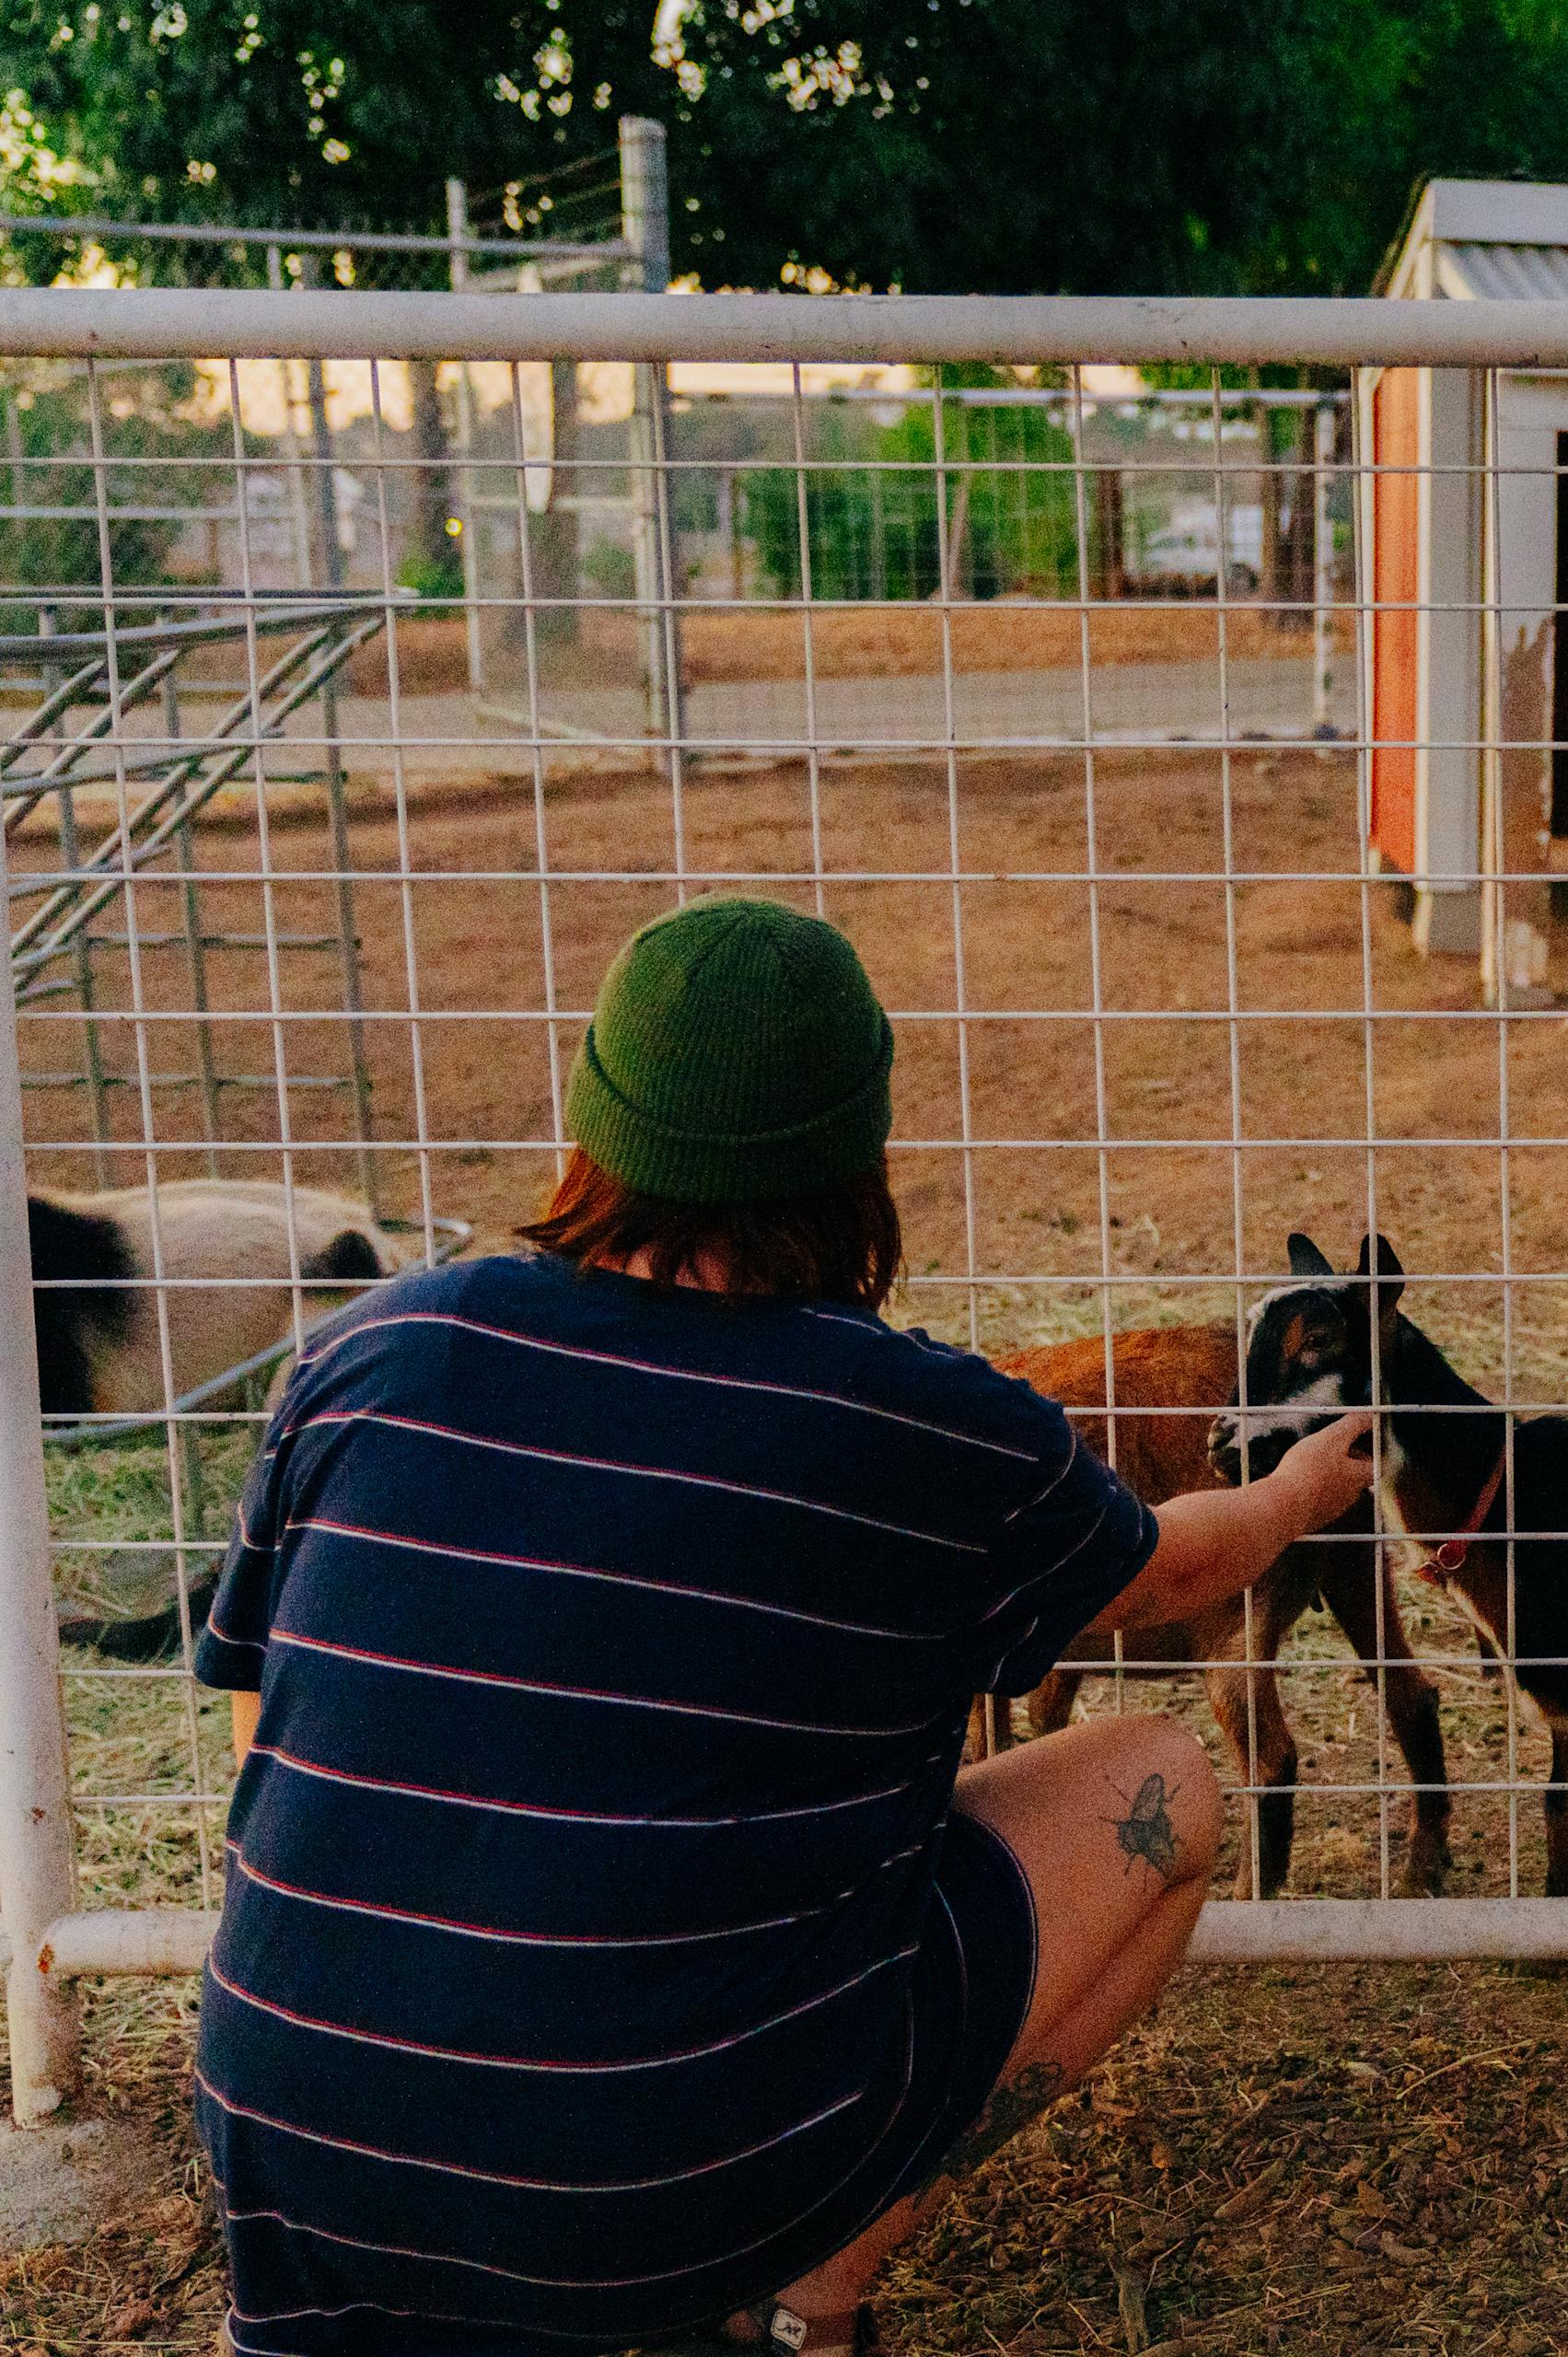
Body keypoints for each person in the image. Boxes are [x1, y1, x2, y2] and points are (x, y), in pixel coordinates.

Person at [191, 897, 1371, 2357]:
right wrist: (1296, 1492)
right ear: (858, 1158)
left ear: (591, 1130)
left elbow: (266, 1734)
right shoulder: (922, 1423)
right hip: (658, 2190)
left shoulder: (372, 1348)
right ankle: (801, 2306)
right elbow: (1170, 1577)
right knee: (1158, 1787)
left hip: (289, 2157)